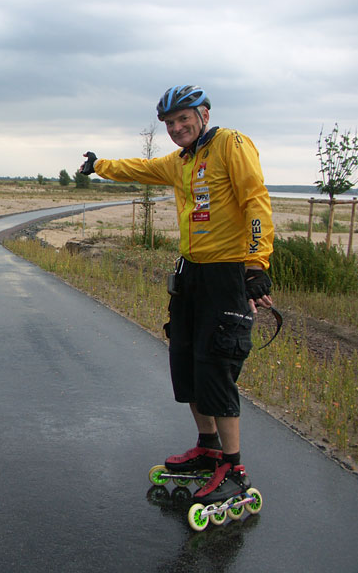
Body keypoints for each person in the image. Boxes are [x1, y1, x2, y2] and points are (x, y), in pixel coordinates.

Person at [79, 85, 275, 504]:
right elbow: (140, 168)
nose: (176, 128)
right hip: (191, 272)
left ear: (203, 113)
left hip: (226, 272)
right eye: (169, 123)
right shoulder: (180, 161)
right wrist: (100, 166)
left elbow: (256, 201)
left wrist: (258, 263)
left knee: (215, 363)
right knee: (184, 359)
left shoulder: (230, 144)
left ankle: (233, 466)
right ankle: (207, 448)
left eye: (183, 118)